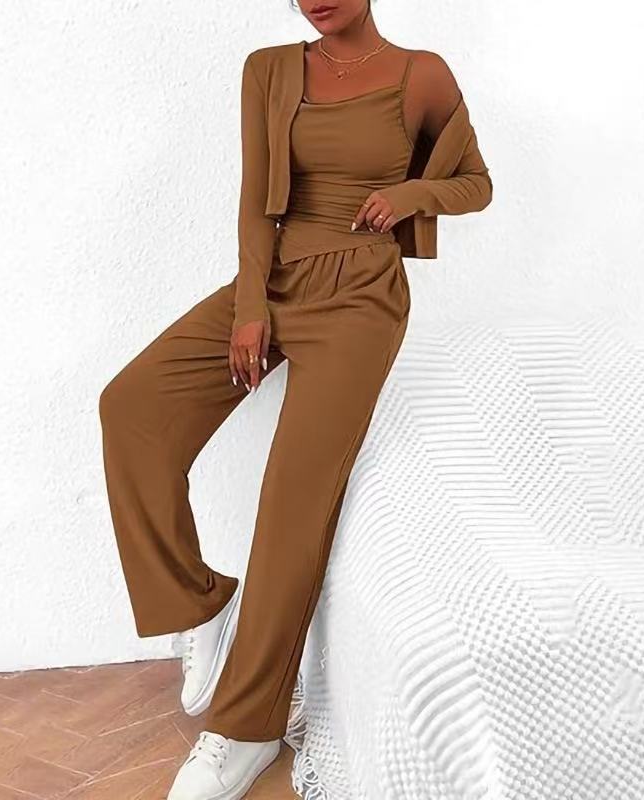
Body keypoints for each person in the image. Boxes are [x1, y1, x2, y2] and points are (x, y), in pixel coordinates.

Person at [98, 1, 492, 797]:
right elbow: (256, 198)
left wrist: (413, 194)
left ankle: (247, 729)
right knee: (132, 407)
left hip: (361, 298)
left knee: (292, 504)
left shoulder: (421, 76)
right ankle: (201, 605)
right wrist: (251, 305)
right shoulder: (270, 70)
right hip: (277, 280)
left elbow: (475, 184)